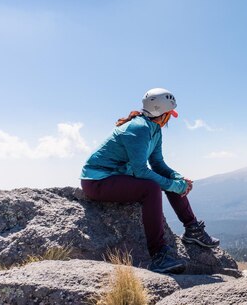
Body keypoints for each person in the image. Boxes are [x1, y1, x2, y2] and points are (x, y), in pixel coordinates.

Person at [80, 88, 219, 274]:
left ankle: (192, 229)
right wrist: (172, 185)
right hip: (97, 181)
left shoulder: (154, 130)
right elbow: (140, 171)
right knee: (151, 188)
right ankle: (158, 255)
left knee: (166, 179)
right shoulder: (138, 128)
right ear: (160, 112)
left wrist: (178, 179)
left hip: (117, 177)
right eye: (169, 114)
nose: (169, 119)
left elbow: (158, 164)